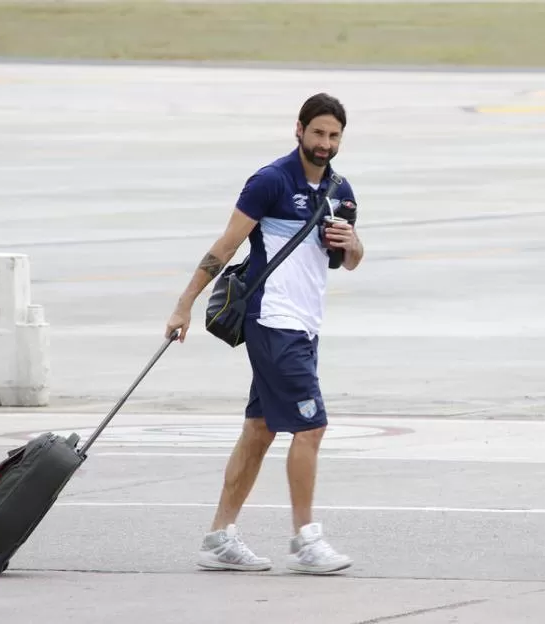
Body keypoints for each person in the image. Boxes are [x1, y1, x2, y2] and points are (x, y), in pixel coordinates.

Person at [164, 93, 364, 575]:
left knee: (260, 429)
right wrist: (184, 303)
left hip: (305, 325)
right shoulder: (271, 182)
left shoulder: (340, 191)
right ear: (298, 130)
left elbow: (348, 261)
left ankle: (219, 537)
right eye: (317, 133)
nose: (325, 143)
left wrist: (354, 243)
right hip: (274, 321)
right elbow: (225, 245)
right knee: (311, 427)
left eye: (333, 135)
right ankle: (306, 539)